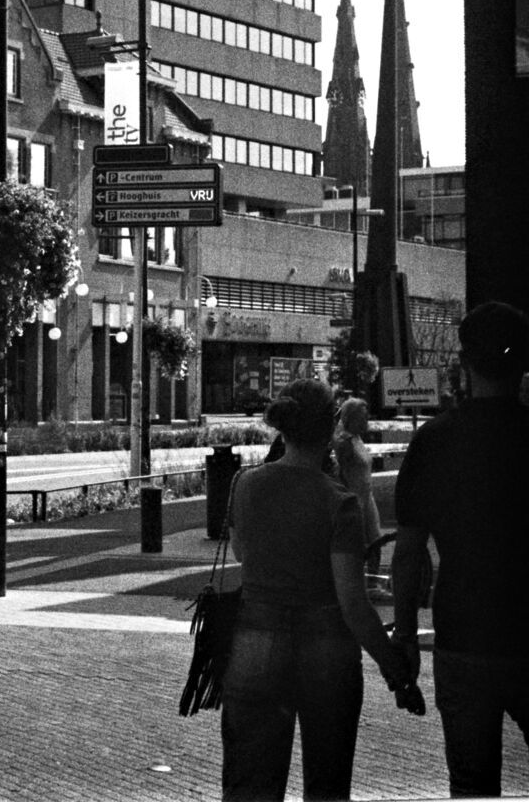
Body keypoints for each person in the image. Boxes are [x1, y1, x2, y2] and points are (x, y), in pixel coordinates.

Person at [222, 378, 424, 802]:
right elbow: (353, 603)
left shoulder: (245, 485)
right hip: (327, 652)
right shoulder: (339, 502)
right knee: (327, 786)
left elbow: (243, 553)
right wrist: (395, 671)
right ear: (331, 427)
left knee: (250, 786)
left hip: (255, 643)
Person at [393, 300, 529, 798]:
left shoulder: (435, 441)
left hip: (463, 633)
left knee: (472, 784)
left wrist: (405, 636)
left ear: (464, 363)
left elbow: (408, 551)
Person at [334, 398, 383, 591]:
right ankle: (359, 583)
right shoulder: (345, 442)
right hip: (355, 498)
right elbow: (341, 473)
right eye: (363, 417)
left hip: (366, 495)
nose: (367, 421)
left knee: (375, 539)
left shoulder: (357, 438)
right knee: (360, 543)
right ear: (352, 418)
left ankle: (372, 582)